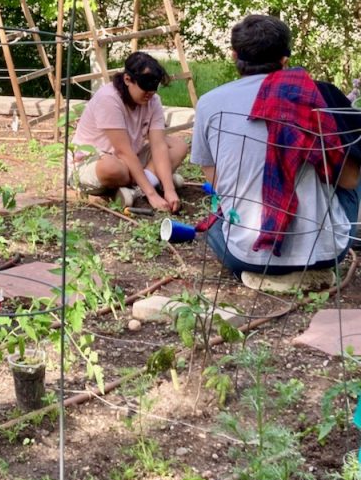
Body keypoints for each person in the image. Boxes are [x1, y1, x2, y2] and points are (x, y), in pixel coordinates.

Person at [191, 14, 360, 290]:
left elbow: (218, 183)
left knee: (213, 227)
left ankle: (267, 273)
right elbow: (350, 180)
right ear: (285, 59)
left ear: (234, 56)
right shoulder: (319, 96)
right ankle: (310, 262)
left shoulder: (209, 103)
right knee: (354, 168)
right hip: (326, 255)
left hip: (248, 256)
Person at [71, 52, 188, 212]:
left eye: (153, 88)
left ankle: (136, 189)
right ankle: (150, 181)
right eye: (144, 87)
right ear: (128, 79)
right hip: (95, 161)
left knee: (178, 146)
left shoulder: (153, 101)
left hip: (131, 160)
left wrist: (170, 190)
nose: (149, 93)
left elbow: (158, 145)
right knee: (112, 168)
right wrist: (152, 195)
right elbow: (123, 151)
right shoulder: (109, 99)